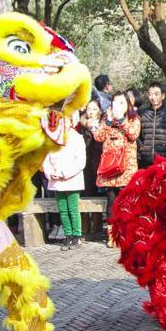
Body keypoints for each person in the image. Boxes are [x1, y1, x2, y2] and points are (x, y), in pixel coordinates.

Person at [96, 92, 141, 246]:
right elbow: (98, 137)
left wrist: (121, 119)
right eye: (115, 102)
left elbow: (133, 134)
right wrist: (108, 121)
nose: (118, 105)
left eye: (121, 102)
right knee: (111, 204)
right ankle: (112, 236)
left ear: (128, 104)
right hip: (109, 169)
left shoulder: (133, 119)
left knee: (127, 204)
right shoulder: (106, 118)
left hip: (126, 168)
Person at [42, 113, 87, 249]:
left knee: (72, 208)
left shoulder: (77, 138)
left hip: (71, 179)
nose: (64, 124)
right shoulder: (53, 138)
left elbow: (80, 161)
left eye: (66, 121)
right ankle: (68, 235)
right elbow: (46, 159)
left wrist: (64, 174)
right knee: (62, 209)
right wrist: (50, 173)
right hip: (56, 180)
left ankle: (77, 236)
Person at [79, 99, 106, 237]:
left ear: (100, 111)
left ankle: (97, 225)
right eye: (89, 109)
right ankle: (84, 225)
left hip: (100, 162)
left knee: (98, 193)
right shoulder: (81, 125)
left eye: (94, 109)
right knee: (84, 193)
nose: (91, 112)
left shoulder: (103, 125)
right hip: (85, 164)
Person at [137, 82, 166, 168]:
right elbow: (137, 134)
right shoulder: (142, 112)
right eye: (150, 94)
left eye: (156, 94)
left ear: (163, 96)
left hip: (164, 159)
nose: (153, 98)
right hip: (144, 159)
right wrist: (141, 148)